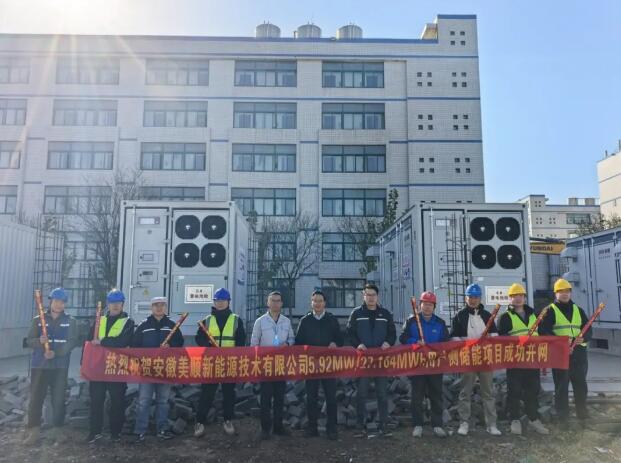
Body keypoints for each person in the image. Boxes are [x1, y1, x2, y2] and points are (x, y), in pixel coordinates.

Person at [23, 287, 79, 444]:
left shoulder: (71, 321)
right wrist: (39, 342)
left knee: (59, 399)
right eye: (56, 301)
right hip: (40, 365)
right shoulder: (38, 320)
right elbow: (28, 341)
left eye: (62, 302)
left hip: (60, 366)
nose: (59, 304)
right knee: (36, 399)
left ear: (65, 304)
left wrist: (56, 353)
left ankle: (58, 430)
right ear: (51, 302)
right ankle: (33, 431)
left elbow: (72, 341)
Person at [497, 283, 550, 435]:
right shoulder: (505, 317)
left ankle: (533, 419)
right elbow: (501, 339)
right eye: (515, 296)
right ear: (510, 298)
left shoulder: (534, 315)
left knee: (532, 390)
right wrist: (518, 342)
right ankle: (514, 420)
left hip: (532, 359)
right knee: (514, 390)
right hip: (515, 360)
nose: (518, 298)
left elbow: (543, 334)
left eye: (521, 295)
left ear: (525, 297)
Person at [450, 283, 502, 436]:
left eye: (476, 297)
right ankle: (464, 422)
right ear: (466, 298)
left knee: (488, 392)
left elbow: (495, 336)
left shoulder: (487, 315)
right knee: (465, 392)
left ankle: (491, 424)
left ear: (480, 298)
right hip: (468, 358)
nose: (473, 300)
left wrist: (487, 341)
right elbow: (453, 336)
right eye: (470, 297)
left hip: (485, 358)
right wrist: (466, 345)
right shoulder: (459, 316)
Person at [540, 278, 592, 428]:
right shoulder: (549, 311)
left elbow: (588, 328)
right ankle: (563, 417)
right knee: (561, 387)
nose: (564, 294)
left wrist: (584, 337)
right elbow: (543, 331)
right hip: (560, 354)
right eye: (561, 291)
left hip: (579, 354)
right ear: (555, 293)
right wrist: (559, 341)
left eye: (567, 291)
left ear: (570, 293)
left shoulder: (578, 310)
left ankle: (582, 415)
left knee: (580, 385)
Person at [194, 287, 246, 438]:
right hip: (211, 363)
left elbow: (241, 341)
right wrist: (208, 345)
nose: (220, 303)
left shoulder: (236, 320)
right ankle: (200, 422)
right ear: (214, 302)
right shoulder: (207, 320)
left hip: (229, 363)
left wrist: (236, 357)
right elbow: (199, 338)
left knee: (229, 393)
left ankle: (228, 420)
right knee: (206, 393)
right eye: (217, 300)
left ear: (228, 302)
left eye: (223, 300)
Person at [346, 283, 396, 437]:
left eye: (373, 295)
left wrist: (388, 342)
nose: (371, 298)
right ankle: (360, 426)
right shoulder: (356, 313)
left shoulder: (385, 314)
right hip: (363, 361)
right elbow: (350, 333)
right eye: (368, 295)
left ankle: (383, 425)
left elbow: (392, 333)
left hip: (381, 360)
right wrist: (357, 344)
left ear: (377, 296)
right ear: (363, 296)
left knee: (382, 394)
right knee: (361, 394)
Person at [131, 296, 184, 442]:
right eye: (156, 305)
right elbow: (135, 345)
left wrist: (170, 346)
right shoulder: (143, 325)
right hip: (147, 370)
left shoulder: (172, 326)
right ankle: (140, 431)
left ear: (166, 308)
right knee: (144, 401)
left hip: (165, 369)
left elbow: (179, 343)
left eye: (162, 305)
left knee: (163, 401)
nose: (159, 308)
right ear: (151, 308)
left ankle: (162, 429)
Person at [86, 289, 135, 444]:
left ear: (123, 304)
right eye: (112, 302)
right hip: (98, 368)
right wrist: (85, 364)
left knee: (117, 401)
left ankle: (115, 433)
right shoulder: (99, 321)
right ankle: (95, 432)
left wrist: (102, 342)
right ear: (108, 304)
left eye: (118, 302)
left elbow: (122, 342)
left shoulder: (128, 322)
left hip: (117, 367)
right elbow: (88, 342)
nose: (115, 305)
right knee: (96, 401)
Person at [295, 290, 344, 440]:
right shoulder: (305, 321)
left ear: (325, 303)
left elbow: (340, 339)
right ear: (311, 303)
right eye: (315, 301)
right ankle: (312, 428)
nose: (317, 303)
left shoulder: (331, 320)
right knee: (311, 398)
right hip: (311, 365)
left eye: (320, 301)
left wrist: (335, 343)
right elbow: (298, 343)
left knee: (331, 397)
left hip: (328, 365)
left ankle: (331, 428)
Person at [399, 291, 449, 438]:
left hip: (435, 365)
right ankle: (418, 425)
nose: (427, 307)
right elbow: (403, 338)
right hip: (417, 365)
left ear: (434, 306)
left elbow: (446, 341)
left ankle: (437, 425)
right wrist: (415, 342)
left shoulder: (440, 323)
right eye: (425, 304)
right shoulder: (412, 321)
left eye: (430, 305)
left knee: (436, 395)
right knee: (417, 396)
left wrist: (436, 348)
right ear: (420, 305)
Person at [250, 290, 295, 440]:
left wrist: (287, 344)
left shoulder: (286, 321)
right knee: (265, 398)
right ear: (267, 303)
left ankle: (278, 427)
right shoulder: (260, 321)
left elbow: (292, 339)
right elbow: (254, 343)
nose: (275, 303)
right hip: (265, 365)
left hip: (281, 364)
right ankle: (265, 429)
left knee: (279, 397)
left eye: (278, 301)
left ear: (281, 303)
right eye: (272, 301)